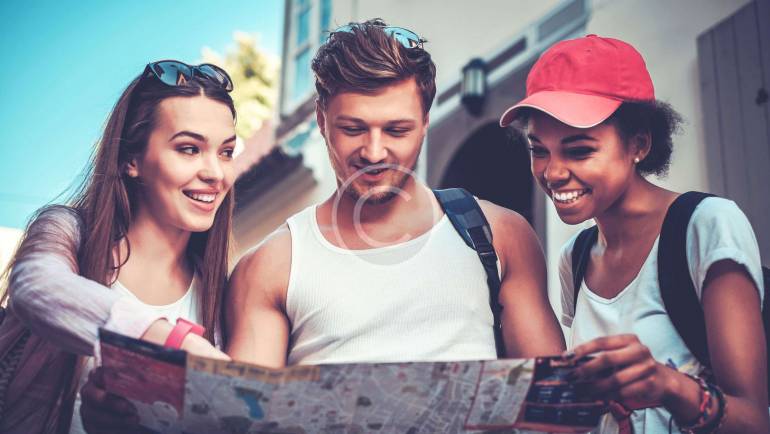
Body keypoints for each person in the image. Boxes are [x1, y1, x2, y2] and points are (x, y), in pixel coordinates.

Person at [225, 19, 565, 370]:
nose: (374, 152)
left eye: (396, 130)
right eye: (353, 129)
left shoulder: (501, 236)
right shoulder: (272, 267)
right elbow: (249, 417)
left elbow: (553, 407)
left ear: (424, 123)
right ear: (322, 121)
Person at [500, 35, 769, 433]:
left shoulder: (706, 225)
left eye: (579, 150)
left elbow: (755, 421)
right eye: (539, 149)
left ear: (639, 144)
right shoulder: (575, 258)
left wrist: (669, 386)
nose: (553, 173)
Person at [0, 60, 236, 433]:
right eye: (189, 149)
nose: (215, 173)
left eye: (226, 152)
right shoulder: (68, 232)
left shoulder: (221, 294)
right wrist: (174, 345)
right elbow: (35, 286)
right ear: (131, 160)